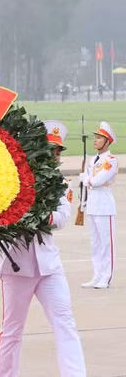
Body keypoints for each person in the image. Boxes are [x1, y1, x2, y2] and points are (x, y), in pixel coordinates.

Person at [0, 121, 86, 376]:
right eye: (50, 150)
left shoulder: (61, 184)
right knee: (12, 329)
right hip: (16, 266)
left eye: (58, 151)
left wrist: (41, 217)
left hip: (49, 267)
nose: (55, 155)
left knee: (65, 323)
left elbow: (62, 217)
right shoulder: (14, 178)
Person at [80, 121, 118, 289]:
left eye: (99, 138)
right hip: (93, 205)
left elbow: (98, 181)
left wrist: (86, 179)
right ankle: (96, 275)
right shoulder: (93, 159)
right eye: (95, 137)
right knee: (95, 243)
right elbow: (91, 184)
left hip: (105, 206)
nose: (95, 140)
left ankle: (106, 276)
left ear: (107, 141)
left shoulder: (111, 160)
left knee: (106, 243)